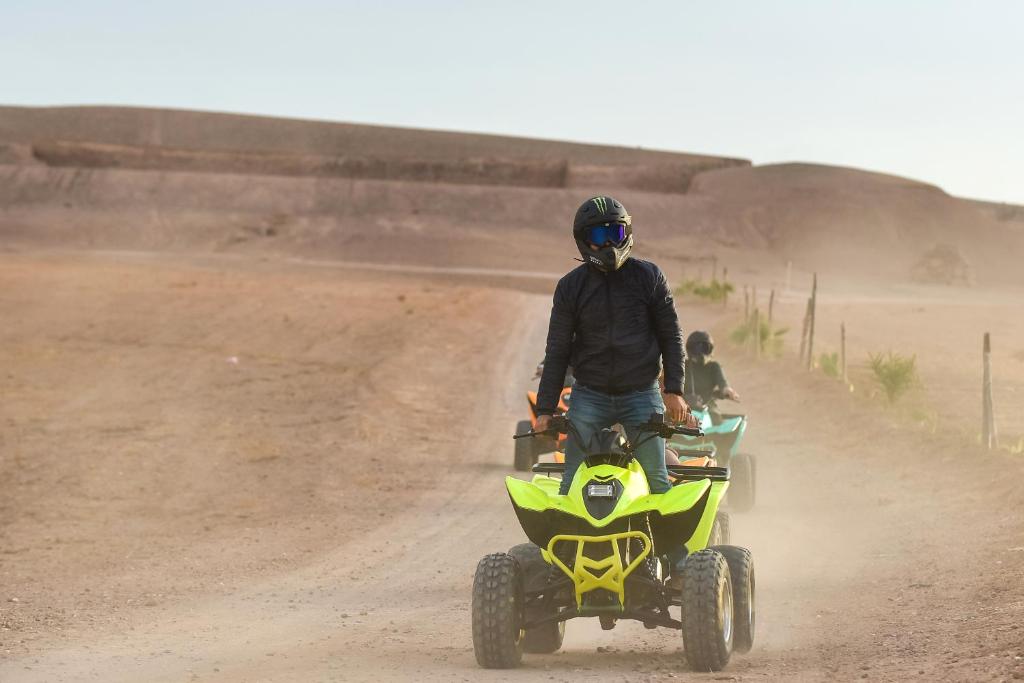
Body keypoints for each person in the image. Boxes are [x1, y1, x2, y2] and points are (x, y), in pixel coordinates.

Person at [534, 195, 697, 497]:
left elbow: (671, 336)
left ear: (627, 233)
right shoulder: (570, 287)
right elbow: (557, 351)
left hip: (641, 393)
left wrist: (674, 390)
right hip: (589, 396)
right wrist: (544, 409)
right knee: (572, 483)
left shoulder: (649, 277)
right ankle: (567, 544)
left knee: (657, 482)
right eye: (599, 235)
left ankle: (672, 546)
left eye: (616, 233)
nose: (609, 243)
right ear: (584, 241)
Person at [683, 331, 739, 423]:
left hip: (708, 406)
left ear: (710, 349)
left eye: (704, 348)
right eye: (696, 348)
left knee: (716, 419)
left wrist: (727, 390)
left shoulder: (714, 366)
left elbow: (722, 383)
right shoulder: (682, 366)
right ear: (690, 349)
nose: (700, 352)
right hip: (684, 405)